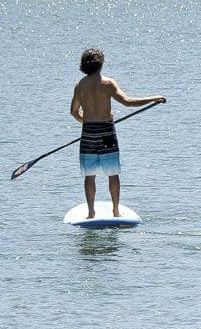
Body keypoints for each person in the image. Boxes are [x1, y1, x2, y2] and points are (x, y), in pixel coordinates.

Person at [69, 48, 165, 218]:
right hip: (106, 132)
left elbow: (74, 112)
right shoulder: (107, 84)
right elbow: (127, 102)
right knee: (113, 173)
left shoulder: (80, 86)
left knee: (89, 175)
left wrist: (88, 123)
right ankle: (115, 210)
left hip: (89, 133)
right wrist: (153, 98)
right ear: (101, 64)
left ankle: (91, 213)